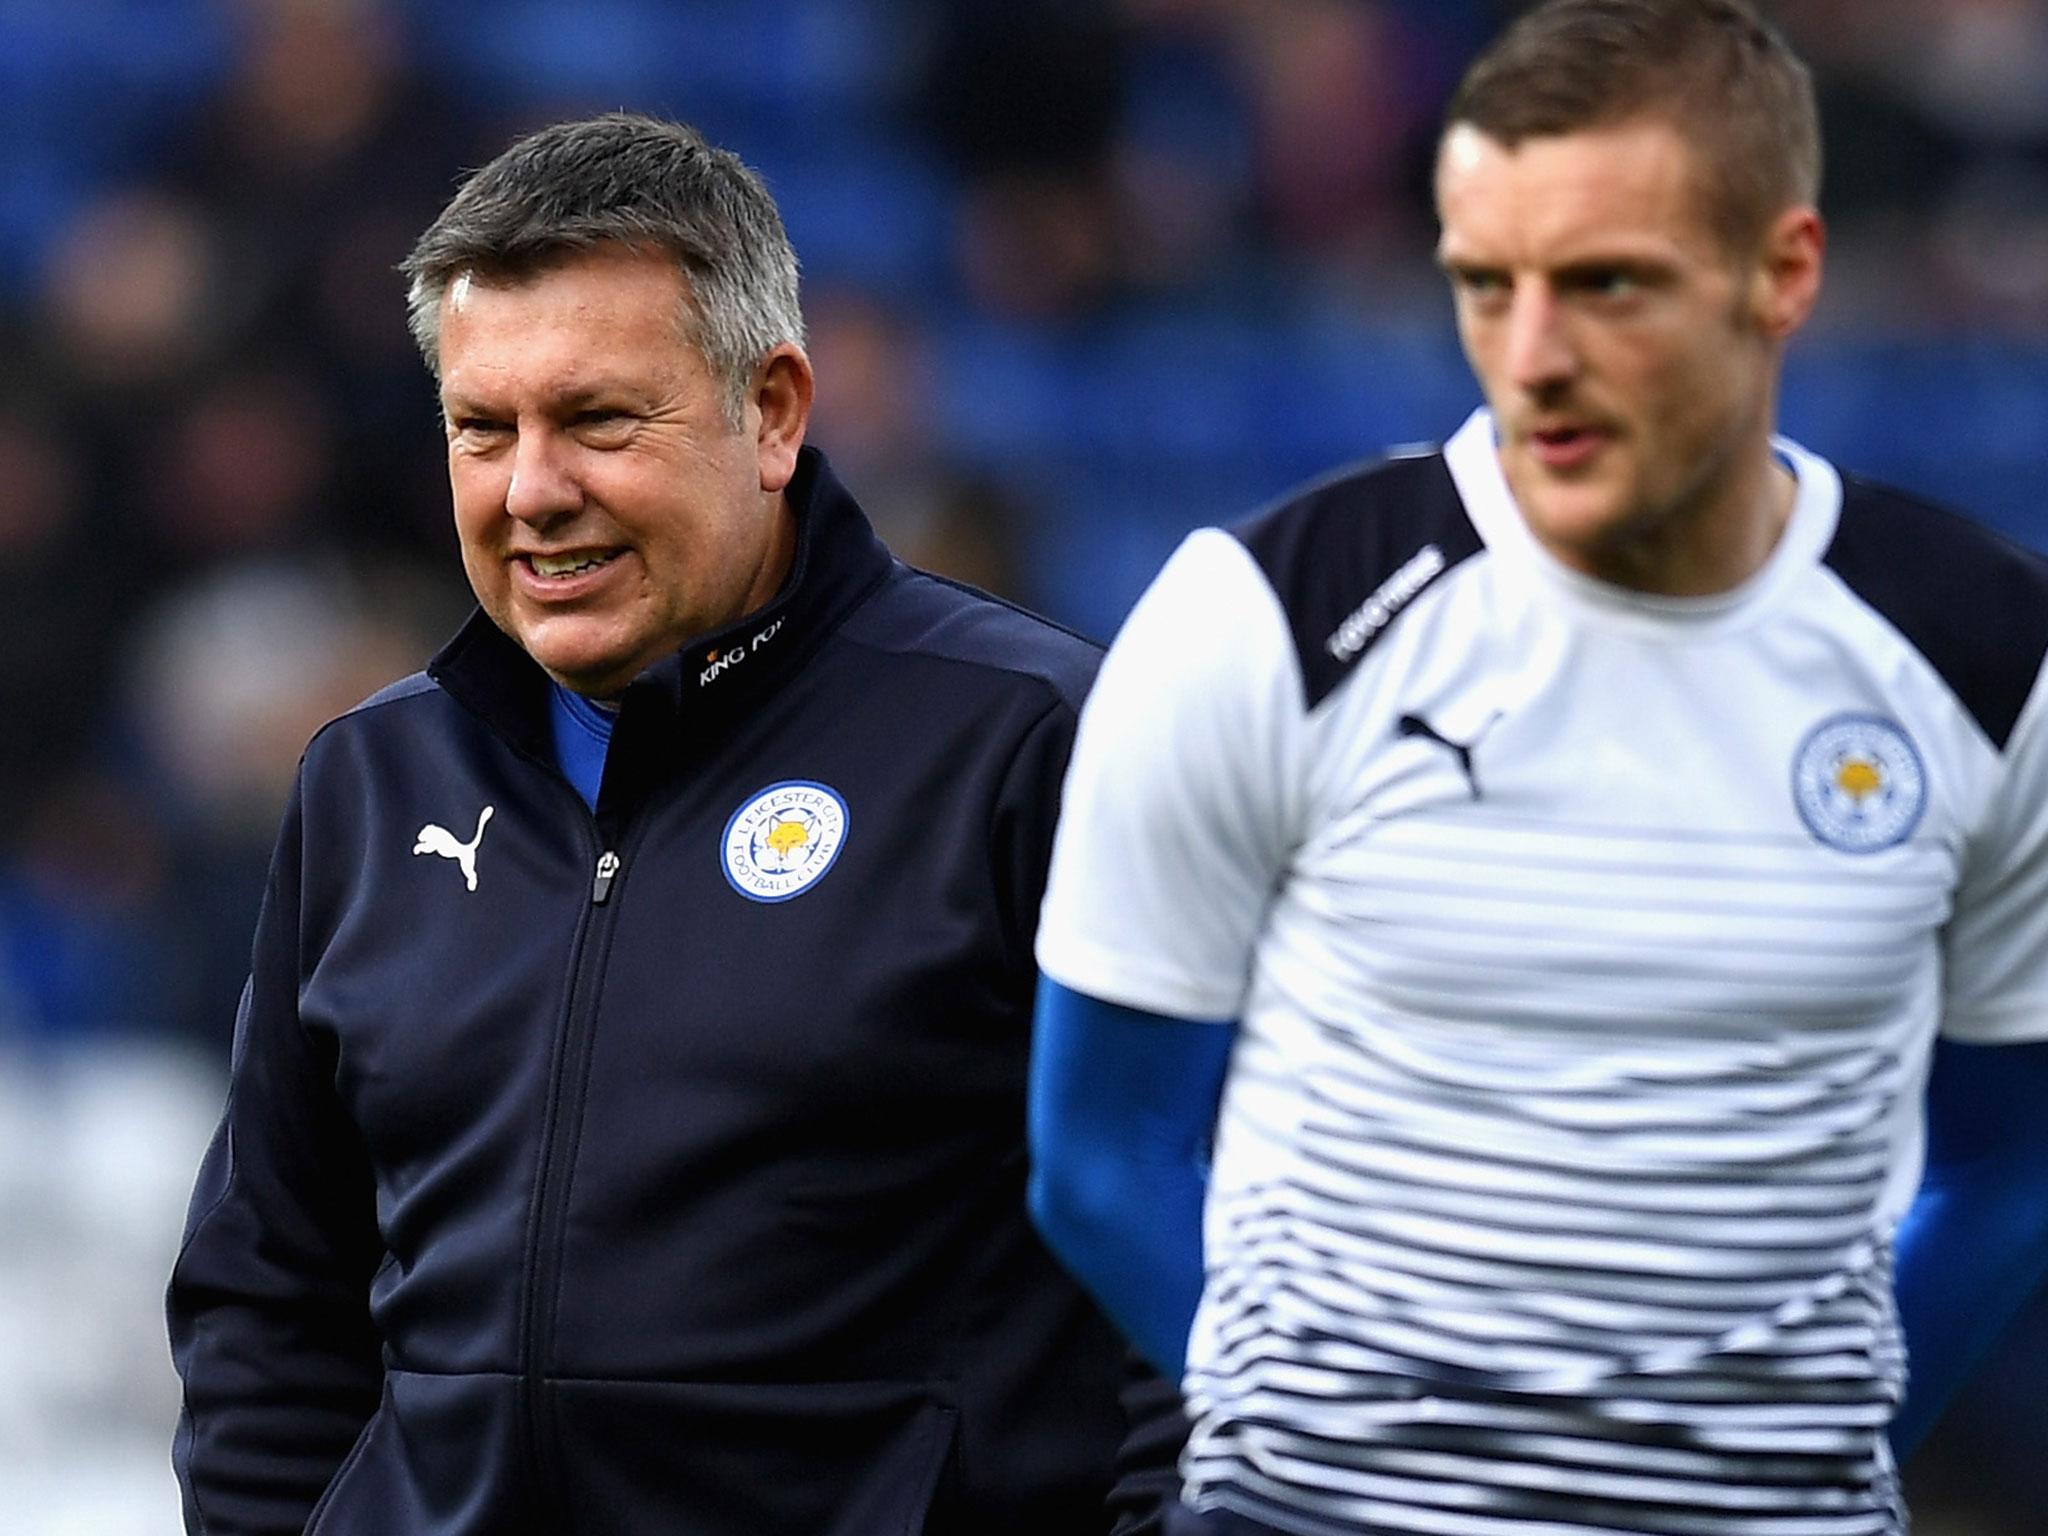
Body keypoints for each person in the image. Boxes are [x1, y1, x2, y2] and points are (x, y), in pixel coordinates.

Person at [1026, 3, 2048, 1534]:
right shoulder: (1265, 618)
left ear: (1785, 273)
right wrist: (1335, 1465)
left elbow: (2012, 1166)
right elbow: (1095, 1155)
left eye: (1606, 286)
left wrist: (1790, 1463)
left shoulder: (1987, 660)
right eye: (1484, 286)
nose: (1533, 356)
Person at [166, 110, 1163, 1536]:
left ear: (772, 411)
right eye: (481, 429)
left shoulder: (1030, 748)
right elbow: (268, 1300)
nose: (532, 493)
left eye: (598, 420)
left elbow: (1195, 1278)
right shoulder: (368, 787)